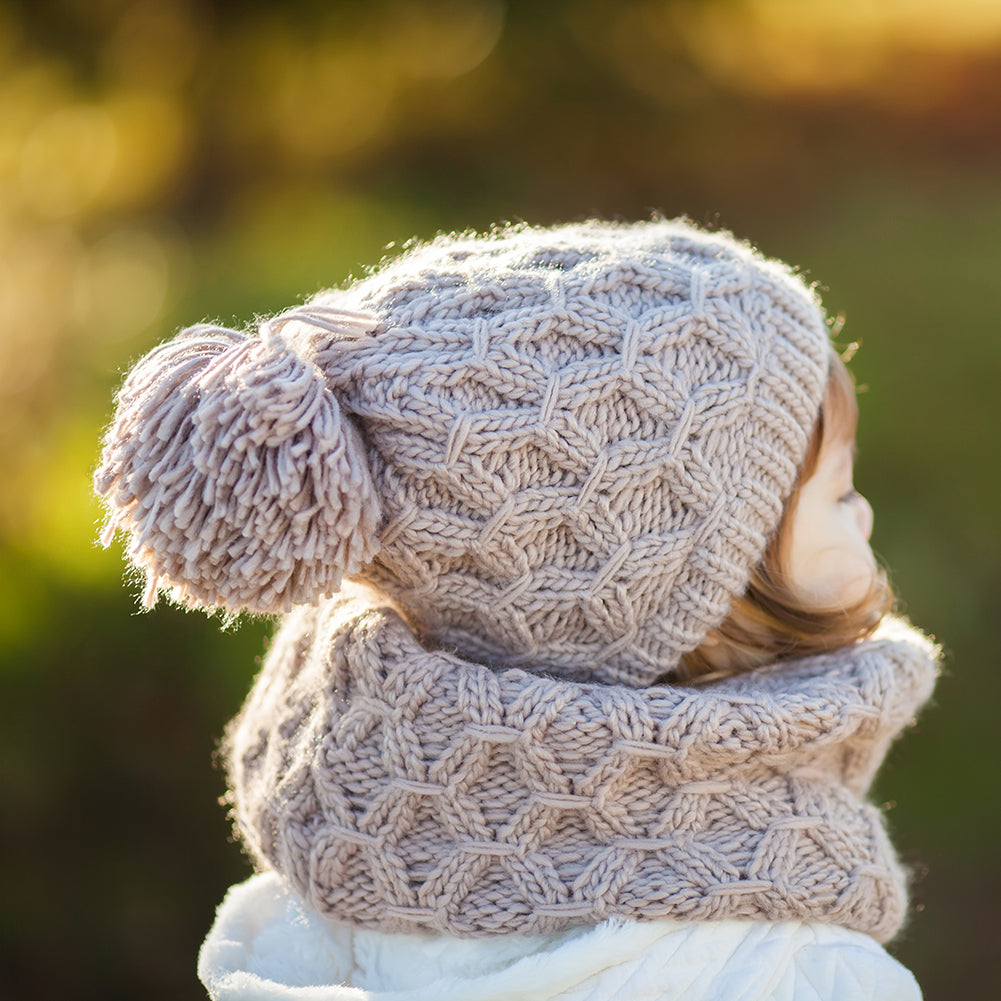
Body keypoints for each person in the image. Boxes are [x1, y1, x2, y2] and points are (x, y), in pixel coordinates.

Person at [95, 220, 939, 1001]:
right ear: (683, 600)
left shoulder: (313, 918)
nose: (862, 514)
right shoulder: (798, 969)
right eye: (837, 490)